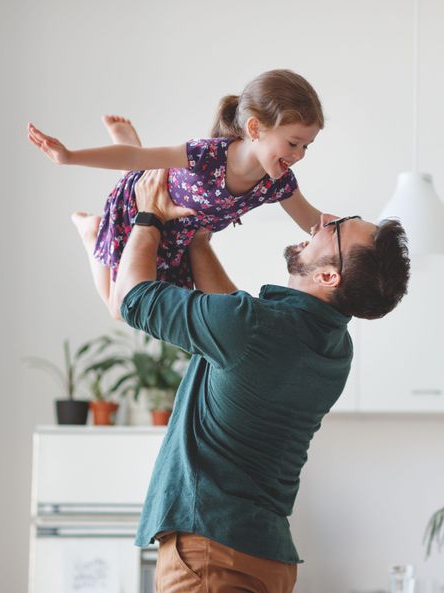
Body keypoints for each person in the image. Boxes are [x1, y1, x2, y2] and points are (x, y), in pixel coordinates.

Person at [111, 168, 410, 593]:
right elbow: (235, 324)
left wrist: (149, 216)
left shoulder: (252, 328)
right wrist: (198, 241)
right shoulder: (334, 348)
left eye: (337, 228)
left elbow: (131, 297)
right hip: (266, 558)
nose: (324, 220)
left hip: (210, 554)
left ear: (329, 276)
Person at [27, 69, 325, 317]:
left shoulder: (278, 182)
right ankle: (91, 231)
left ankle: (134, 154)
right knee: (120, 311)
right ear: (255, 128)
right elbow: (132, 157)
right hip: (139, 209)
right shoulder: (207, 155)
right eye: (293, 143)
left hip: (178, 237)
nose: (300, 155)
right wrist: (69, 156)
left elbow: (314, 220)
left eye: (306, 146)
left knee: (148, 307)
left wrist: (367, 235)